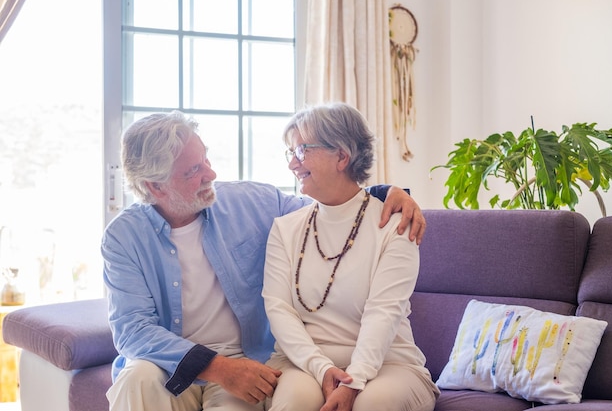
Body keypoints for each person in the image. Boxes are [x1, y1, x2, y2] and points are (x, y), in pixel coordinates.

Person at [102, 110, 427, 411]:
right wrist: (218, 368)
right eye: (193, 170)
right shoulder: (123, 237)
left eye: (206, 160)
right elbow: (133, 330)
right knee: (136, 378)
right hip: (168, 366)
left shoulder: (251, 202)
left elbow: (331, 206)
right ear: (154, 187)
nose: (211, 174)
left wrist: (389, 192)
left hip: (246, 362)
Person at [262, 103, 440, 411]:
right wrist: (321, 368)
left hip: (390, 362)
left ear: (342, 156)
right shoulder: (285, 228)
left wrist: (355, 380)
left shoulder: (395, 224)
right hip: (305, 362)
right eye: (290, 152)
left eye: (302, 150)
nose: (292, 164)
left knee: (373, 405)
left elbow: (383, 312)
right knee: (294, 403)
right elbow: (278, 309)